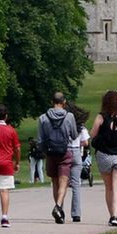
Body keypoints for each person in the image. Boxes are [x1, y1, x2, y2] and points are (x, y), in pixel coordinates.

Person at [88, 90, 117, 226]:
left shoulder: (101, 117)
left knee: (109, 187)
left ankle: (111, 214)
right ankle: (115, 215)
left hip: (104, 154)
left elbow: (92, 135)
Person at [39, 92, 78, 224]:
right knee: (64, 181)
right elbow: (73, 135)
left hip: (50, 153)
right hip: (64, 152)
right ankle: (58, 207)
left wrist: (45, 150)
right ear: (64, 102)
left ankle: (59, 210)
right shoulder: (69, 116)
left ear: (52, 102)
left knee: (55, 182)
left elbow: (41, 139)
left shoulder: (43, 118)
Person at [67, 105, 90, 222]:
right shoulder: (81, 128)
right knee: (76, 185)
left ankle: (59, 208)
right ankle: (76, 213)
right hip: (76, 152)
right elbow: (85, 142)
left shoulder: (64, 125)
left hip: (65, 152)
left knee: (62, 182)